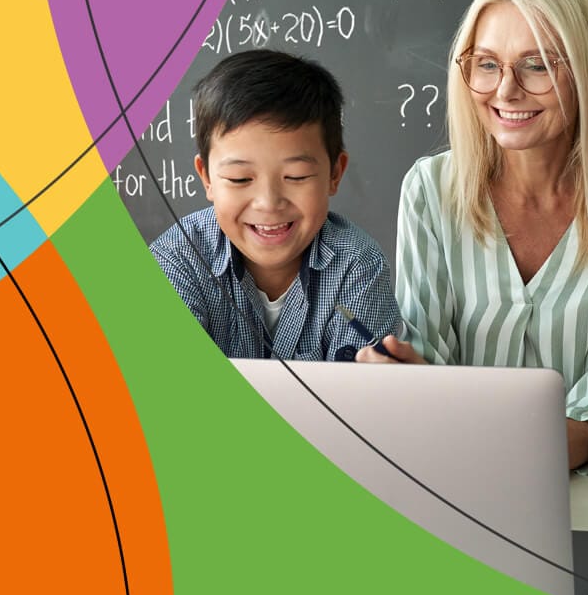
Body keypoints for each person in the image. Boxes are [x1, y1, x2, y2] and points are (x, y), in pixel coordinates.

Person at [358, 0, 588, 471]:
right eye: (486, 64)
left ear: (586, 71)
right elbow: (426, 380)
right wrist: (405, 381)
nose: (505, 91)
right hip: (453, 482)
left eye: (537, 66)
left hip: (587, 500)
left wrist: (451, 416)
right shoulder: (430, 191)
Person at [148, 49, 400, 361]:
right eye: (240, 179)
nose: (268, 203)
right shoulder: (178, 259)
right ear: (207, 178)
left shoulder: (358, 266)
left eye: (296, 176)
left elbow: (361, 399)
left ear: (335, 174)